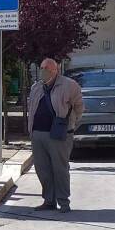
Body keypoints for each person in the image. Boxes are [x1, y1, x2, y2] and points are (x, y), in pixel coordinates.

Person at [24, 58, 83, 213]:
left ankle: (63, 202)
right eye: (41, 67)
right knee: (42, 169)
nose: (43, 71)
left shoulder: (69, 85)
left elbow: (79, 107)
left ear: (55, 70)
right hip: (38, 134)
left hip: (58, 135)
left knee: (60, 169)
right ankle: (49, 200)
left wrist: (70, 124)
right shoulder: (37, 87)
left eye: (46, 69)